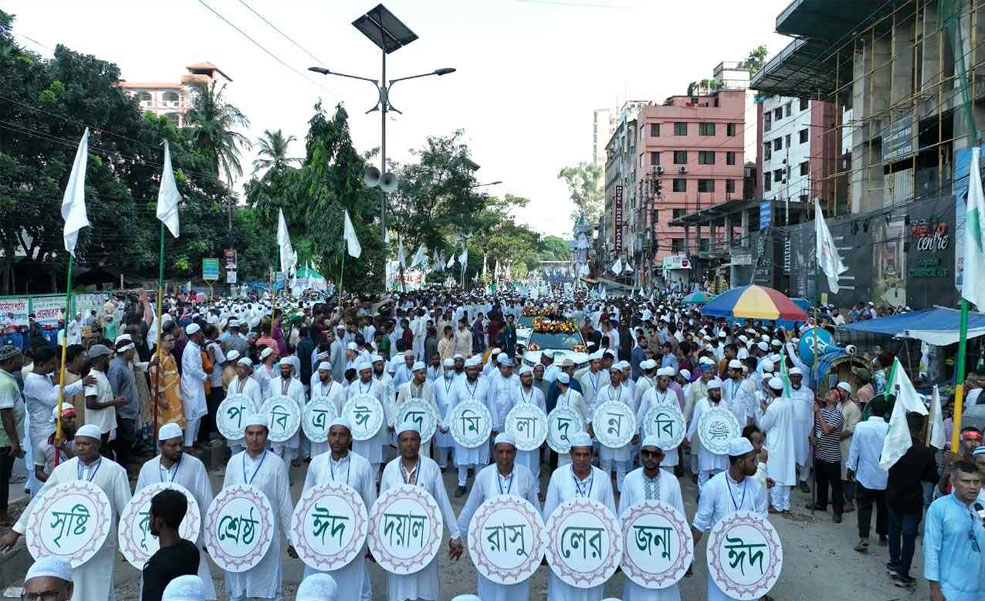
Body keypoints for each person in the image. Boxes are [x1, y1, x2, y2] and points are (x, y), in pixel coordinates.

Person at [2, 424, 132, 601]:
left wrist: (128, 546)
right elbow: (41, 500)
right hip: (66, 542)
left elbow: (126, 509)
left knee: (97, 591)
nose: (80, 448)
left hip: (98, 545)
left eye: (86, 444)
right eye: (78, 443)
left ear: (98, 444)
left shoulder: (115, 471)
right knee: (66, 587)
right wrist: (16, 531)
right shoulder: (63, 470)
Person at [294, 417, 376, 601]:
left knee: (355, 587)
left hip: (352, 538)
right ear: (328, 437)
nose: (337, 439)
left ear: (350, 438)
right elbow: (305, 501)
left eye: (342, 435)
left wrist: (372, 542)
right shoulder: (316, 463)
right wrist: (299, 538)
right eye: (333, 434)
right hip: (320, 536)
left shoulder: (363, 465)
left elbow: (371, 505)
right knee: (318, 584)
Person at [379, 422, 463, 601]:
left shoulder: (431, 467)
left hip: (425, 537)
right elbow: (381, 508)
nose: (409, 444)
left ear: (420, 441)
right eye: (404, 440)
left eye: (413, 440)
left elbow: (443, 501)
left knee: (425, 587)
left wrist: (455, 534)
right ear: (398, 442)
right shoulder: (389, 469)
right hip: (396, 538)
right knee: (399, 589)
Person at [135, 423, 215, 600]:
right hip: (157, 540)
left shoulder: (195, 465)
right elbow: (138, 505)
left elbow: (206, 502)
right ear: (160, 445)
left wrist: (208, 539)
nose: (178, 449)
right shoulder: (148, 468)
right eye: (172, 445)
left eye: (180, 444)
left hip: (189, 538)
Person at [457, 432, 540, 601]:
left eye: (508, 452)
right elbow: (470, 509)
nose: (504, 456)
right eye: (500, 451)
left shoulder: (526, 475)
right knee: (490, 590)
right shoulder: (484, 476)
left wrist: (542, 544)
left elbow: (536, 511)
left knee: (517, 589)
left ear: (515, 452)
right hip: (490, 545)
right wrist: (457, 537)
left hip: (519, 546)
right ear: (494, 452)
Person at [221, 415, 293, 601]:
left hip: (266, 535)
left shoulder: (276, 463)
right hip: (238, 533)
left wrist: (292, 538)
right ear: (244, 435)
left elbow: (284, 502)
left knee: (268, 585)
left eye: (259, 434)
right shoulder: (234, 462)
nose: (254, 438)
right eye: (250, 433)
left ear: (266, 435)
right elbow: (224, 499)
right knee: (238, 586)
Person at [691, 437, 768, 601]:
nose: (756, 463)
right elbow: (699, 526)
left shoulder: (756, 488)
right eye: (752, 460)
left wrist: (763, 580)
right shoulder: (713, 487)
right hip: (720, 561)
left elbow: (764, 529)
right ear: (740, 462)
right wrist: (686, 557)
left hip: (749, 560)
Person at [542, 431, 616, 601]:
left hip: (594, 548)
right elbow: (549, 515)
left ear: (592, 455)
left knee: (590, 591)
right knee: (562, 591)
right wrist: (546, 549)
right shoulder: (558, 476)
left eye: (586, 454)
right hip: (562, 547)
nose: (581, 459)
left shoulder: (603, 478)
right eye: (578, 454)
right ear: (571, 454)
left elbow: (611, 515)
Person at [618, 435, 687, 601]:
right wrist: (620, 554)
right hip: (637, 548)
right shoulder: (630, 480)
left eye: (655, 454)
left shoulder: (672, 481)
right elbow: (622, 518)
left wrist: (687, 556)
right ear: (640, 454)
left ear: (662, 457)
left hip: (665, 549)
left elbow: (681, 518)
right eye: (645, 453)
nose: (649, 458)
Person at [22, 346, 91, 494]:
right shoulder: (34, 381)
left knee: (58, 461)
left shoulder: (45, 377)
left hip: (52, 426)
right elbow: (54, 399)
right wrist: (58, 382)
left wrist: (81, 383)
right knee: (45, 466)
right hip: (42, 431)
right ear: (41, 364)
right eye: (52, 364)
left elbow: (62, 392)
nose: (55, 367)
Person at [886, 413, 939, 588]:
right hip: (912, 499)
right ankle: (902, 572)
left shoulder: (893, 446)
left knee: (894, 529)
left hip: (893, 495)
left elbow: (883, 462)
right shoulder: (925, 452)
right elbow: (932, 477)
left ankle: (894, 562)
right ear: (921, 429)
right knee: (908, 536)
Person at [923, 460, 985, 600]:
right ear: (953, 481)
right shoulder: (939, 508)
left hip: (980, 591)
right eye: (966, 481)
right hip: (950, 590)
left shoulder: (983, 507)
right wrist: (934, 589)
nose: (972, 487)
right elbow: (931, 549)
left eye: (976, 482)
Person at [141, 489, 201, 601]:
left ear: (159, 522)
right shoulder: (192, 551)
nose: (149, 520)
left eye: (150, 516)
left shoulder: (155, 566)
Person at [846, 399, 889, 553]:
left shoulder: (861, 427)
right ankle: (883, 535)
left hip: (865, 474)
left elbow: (854, 449)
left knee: (864, 506)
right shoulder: (889, 428)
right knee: (883, 507)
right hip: (884, 475)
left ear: (870, 410)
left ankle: (864, 537)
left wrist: (850, 467)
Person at [447, 356, 491, 497]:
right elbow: (452, 406)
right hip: (462, 428)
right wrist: (446, 424)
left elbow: (492, 406)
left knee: (480, 458)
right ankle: (462, 484)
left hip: (481, 428)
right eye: (470, 369)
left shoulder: (486, 384)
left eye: (474, 369)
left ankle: (479, 485)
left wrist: (494, 426)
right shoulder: (457, 385)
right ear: (466, 370)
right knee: (463, 458)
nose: (473, 372)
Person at [591, 364, 637, 492]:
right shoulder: (603, 391)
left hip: (622, 433)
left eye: (615, 373)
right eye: (611, 373)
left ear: (621, 375)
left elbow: (631, 412)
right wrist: (594, 427)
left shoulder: (626, 392)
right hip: (606, 433)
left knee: (621, 464)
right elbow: (597, 410)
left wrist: (634, 432)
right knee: (605, 463)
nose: (613, 375)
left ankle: (621, 489)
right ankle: (605, 488)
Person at [393, 361, 444, 459]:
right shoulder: (404, 387)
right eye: (421, 373)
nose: (424, 375)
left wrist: (440, 423)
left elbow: (433, 406)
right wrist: (392, 422)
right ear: (414, 373)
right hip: (407, 424)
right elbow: (398, 405)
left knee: (423, 452)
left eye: (425, 373)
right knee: (407, 449)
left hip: (424, 426)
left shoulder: (429, 387)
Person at [84, 344, 128, 458]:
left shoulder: (102, 374)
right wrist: (113, 402)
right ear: (101, 359)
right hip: (99, 426)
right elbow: (90, 404)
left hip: (106, 424)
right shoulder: (93, 378)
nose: (110, 359)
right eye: (107, 357)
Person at [759, 377, 796, 513]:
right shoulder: (789, 403)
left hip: (775, 444)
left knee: (776, 474)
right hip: (787, 443)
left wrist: (764, 409)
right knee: (786, 473)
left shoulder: (773, 407)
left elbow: (763, 425)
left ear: (770, 390)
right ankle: (785, 504)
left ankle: (777, 505)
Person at [347, 360, 387, 480]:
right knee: (359, 454)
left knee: (374, 454)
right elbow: (349, 405)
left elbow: (384, 404)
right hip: (358, 426)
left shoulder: (378, 385)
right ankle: (358, 478)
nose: (369, 374)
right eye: (366, 372)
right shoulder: (353, 386)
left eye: (370, 372)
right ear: (360, 373)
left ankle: (375, 479)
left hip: (374, 426)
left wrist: (387, 422)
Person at [809, 387, 845, 522]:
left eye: (833, 393)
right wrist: (811, 437)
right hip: (819, 453)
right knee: (821, 481)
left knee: (835, 486)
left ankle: (838, 511)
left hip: (832, 456)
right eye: (829, 391)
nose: (829, 393)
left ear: (837, 399)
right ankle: (821, 503)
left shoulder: (837, 415)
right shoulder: (821, 411)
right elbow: (815, 427)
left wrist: (818, 413)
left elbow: (826, 430)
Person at [686, 379, 729, 488]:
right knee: (704, 470)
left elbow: (728, 423)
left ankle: (718, 493)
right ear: (709, 392)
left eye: (718, 390)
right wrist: (688, 437)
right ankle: (703, 493)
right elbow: (695, 421)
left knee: (720, 471)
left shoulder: (724, 404)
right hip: (705, 444)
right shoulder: (701, 404)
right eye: (715, 390)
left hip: (720, 444)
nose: (718, 393)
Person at [512, 365, 546, 495]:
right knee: (518, 462)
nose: (528, 379)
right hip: (518, 436)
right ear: (520, 378)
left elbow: (543, 413)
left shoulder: (538, 393)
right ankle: (518, 489)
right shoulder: (514, 393)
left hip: (534, 435)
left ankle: (536, 490)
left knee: (534, 464)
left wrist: (542, 435)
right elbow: (509, 414)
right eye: (525, 376)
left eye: (529, 376)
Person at [265, 360, 305, 466]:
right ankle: (277, 473)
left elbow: (301, 404)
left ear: (291, 368)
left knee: (288, 451)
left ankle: (286, 474)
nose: (284, 370)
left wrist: (300, 423)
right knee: (277, 450)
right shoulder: (273, 383)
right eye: (282, 368)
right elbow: (268, 401)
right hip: (276, 422)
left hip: (291, 423)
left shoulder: (298, 385)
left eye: (286, 368)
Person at [225, 358, 263, 455]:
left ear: (248, 370)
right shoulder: (232, 384)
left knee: (247, 448)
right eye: (238, 367)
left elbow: (258, 405)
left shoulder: (254, 385)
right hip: (234, 421)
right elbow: (228, 402)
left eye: (242, 368)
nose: (239, 370)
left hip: (248, 421)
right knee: (234, 449)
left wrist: (255, 422)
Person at [180, 324, 209, 451]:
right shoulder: (191, 349)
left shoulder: (195, 347)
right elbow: (193, 369)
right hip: (191, 386)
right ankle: (188, 445)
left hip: (197, 385)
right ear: (195, 335)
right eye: (200, 333)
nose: (202, 335)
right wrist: (204, 376)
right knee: (192, 417)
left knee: (198, 415)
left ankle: (195, 441)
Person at [149, 331, 185, 432]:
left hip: (175, 396)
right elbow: (156, 379)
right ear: (161, 342)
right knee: (166, 423)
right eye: (169, 340)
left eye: (173, 340)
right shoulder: (157, 357)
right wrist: (163, 398)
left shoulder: (171, 356)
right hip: (166, 397)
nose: (173, 342)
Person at [309, 362, 344, 458]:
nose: (320, 375)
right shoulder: (316, 388)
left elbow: (343, 407)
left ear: (329, 373)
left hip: (332, 424)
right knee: (317, 452)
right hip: (318, 425)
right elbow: (312, 405)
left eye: (323, 372)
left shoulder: (339, 388)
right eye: (319, 372)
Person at [35, 405, 77, 484]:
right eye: (68, 418)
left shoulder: (80, 441)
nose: (73, 420)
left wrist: (64, 448)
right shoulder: (44, 445)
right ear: (57, 421)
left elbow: (82, 463)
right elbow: (38, 472)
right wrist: (53, 482)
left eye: (74, 417)